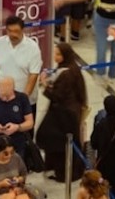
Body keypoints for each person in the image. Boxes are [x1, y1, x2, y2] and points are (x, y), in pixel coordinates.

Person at [37, 43, 88, 181]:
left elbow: (57, 96)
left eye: (58, 54)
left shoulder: (66, 73)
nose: (55, 56)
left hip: (64, 115)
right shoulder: (72, 68)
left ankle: (62, 172)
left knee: (58, 142)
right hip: (69, 112)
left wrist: (44, 84)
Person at [0, 16, 43, 119]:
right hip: (2, 97)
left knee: (25, 131)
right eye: (10, 31)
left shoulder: (33, 48)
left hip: (24, 100)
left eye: (16, 31)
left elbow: (33, 75)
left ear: (22, 30)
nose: (13, 34)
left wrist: (24, 98)